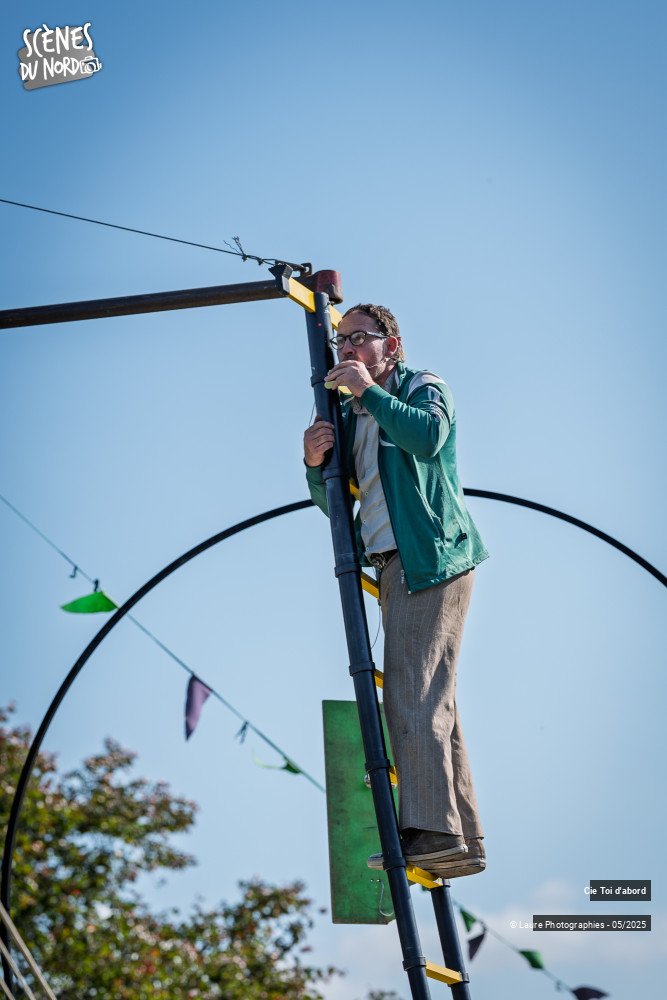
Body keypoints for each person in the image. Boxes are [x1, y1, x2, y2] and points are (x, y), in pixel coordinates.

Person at [303, 303, 489, 878]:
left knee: (412, 691)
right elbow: (335, 499)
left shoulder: (421, 386)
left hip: (430, 557)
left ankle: (430, 830)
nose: (348, 350)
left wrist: (371, 394)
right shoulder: (353, 413)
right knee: (433, 696)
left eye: (360, 338)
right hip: (393, 561)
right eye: (341, 342)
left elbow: (429, 438)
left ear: (393, 345)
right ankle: (459, 837)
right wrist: (314, 465)